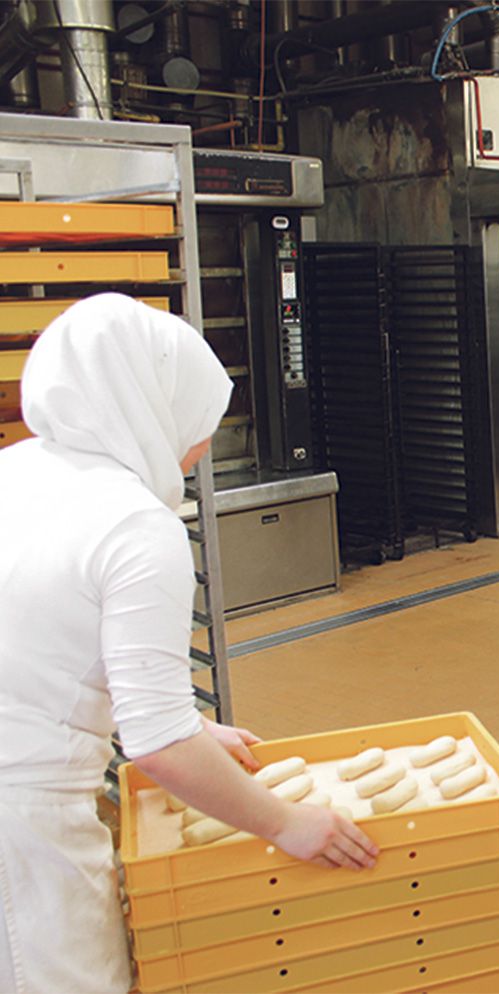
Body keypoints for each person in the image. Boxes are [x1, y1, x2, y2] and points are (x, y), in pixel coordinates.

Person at [0, 294, 379, 993]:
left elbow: (37, 655)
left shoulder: (17, 472)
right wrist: (287, 822)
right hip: (23, 831)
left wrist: (189, 721)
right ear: (151, 407)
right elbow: (157, 747)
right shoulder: (137, 525)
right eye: (199, 422)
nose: (201, 445)